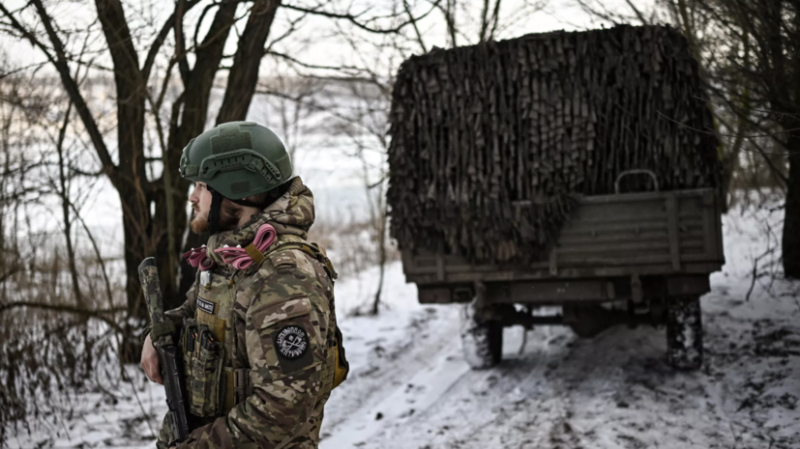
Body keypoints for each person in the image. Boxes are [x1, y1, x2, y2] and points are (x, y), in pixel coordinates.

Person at [140, 121, 348, 449]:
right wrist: (160, 333)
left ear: (237, 190)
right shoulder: (233, 255)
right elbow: (201, 312)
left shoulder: (285, 276)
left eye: (202, 186)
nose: (193, 197)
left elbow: (281, 411)